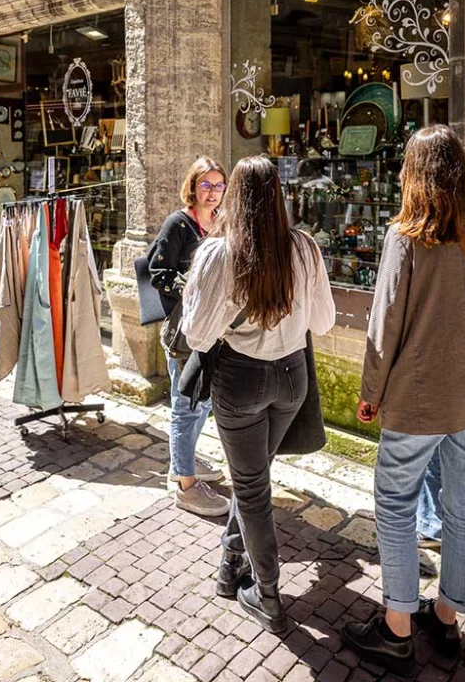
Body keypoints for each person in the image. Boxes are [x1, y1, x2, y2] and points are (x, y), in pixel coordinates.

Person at [342, 125, 465, 675]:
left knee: (396, 502)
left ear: (414, 174)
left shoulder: (406, 235)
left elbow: (383, 325)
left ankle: (397, 627)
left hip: (420, 395)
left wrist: (370, 393)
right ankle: (444, 617)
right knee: (464, 504)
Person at [182, 155, 336, 634]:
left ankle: (266, 594)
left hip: (242, 378)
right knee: (255, 475)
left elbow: (196, 335)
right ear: (278, 195)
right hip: (292, 377)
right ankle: (232, 564)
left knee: (250, 487)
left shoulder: (219, 253)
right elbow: (325, 321)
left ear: (235, 197)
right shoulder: (305, 248)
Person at [148, 156, 230, 518]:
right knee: (185, 405)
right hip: (184, 332)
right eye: (206, 185)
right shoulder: (178, 224)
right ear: (193, 188)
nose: (212, 193)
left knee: (204, 401)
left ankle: (185, 459)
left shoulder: (221, 222)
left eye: (218, 185)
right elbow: (157, 271)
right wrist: (194, 290)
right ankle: (185, 483)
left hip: (213, 331)